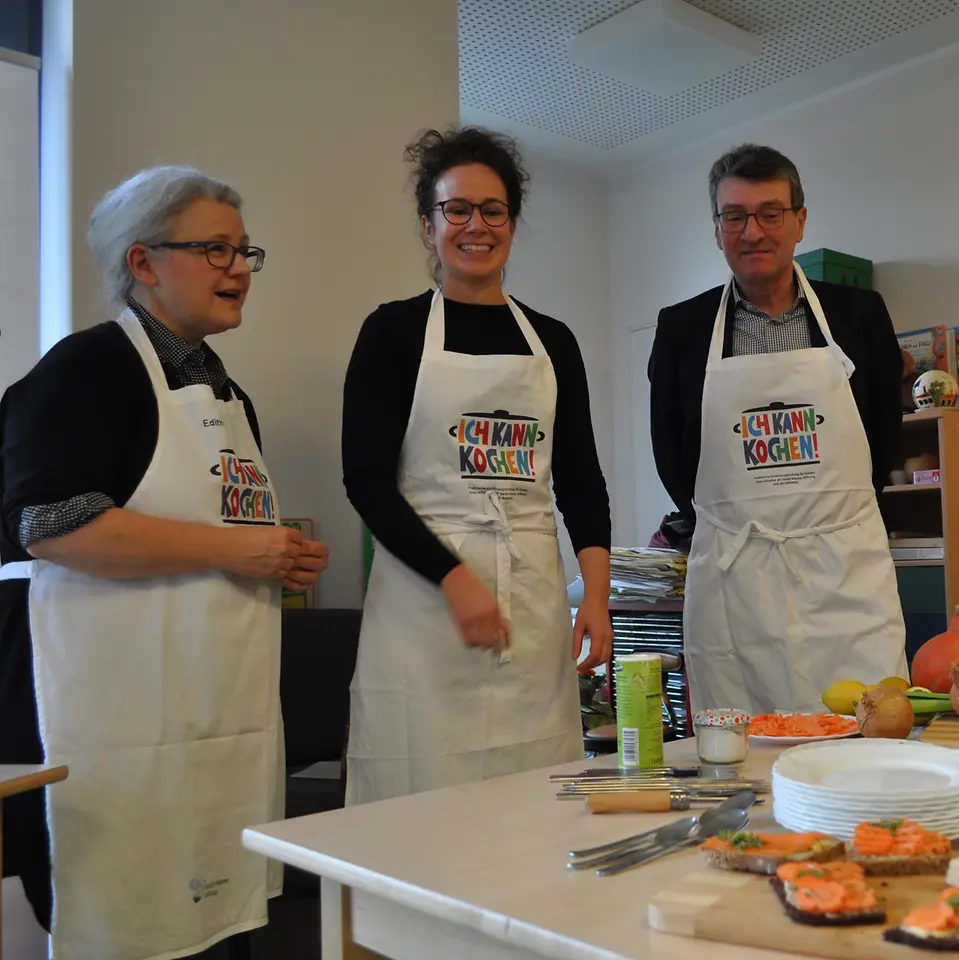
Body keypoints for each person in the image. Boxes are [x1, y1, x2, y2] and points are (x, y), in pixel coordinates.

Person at [0, 166, 328, 960]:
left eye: (244, 250)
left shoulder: (227, 396)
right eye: (215, 249)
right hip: (111, 716)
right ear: (142, 262)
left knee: (220, 921)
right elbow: (49, 523)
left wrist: (275, 555)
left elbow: (208, 527)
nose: (240, 269)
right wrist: (242, 547)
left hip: (217, 715)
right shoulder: (86, 371)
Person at [342, 127, 613, 804]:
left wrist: (599, 597)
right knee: (423, 788)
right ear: (429, 223)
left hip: (531, 605)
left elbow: (580, 480)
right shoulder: (392, 333)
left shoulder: (553, 341)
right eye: (456, 209)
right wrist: (455, 580)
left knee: (529, 792)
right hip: (422, 607)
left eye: (492, 210)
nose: (475, 226)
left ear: (512, 224)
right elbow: (366, 481)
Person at [648, 143, 907, 714]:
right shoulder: (683, 328)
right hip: (734, 578)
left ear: (799, 222)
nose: (752, 232)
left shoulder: (859, 314)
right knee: (745, 745)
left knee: (866, 731)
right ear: (717, 230)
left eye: (770, 213)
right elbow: (671, 451)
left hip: (846, 575)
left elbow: (885, 431)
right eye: (734, 216)